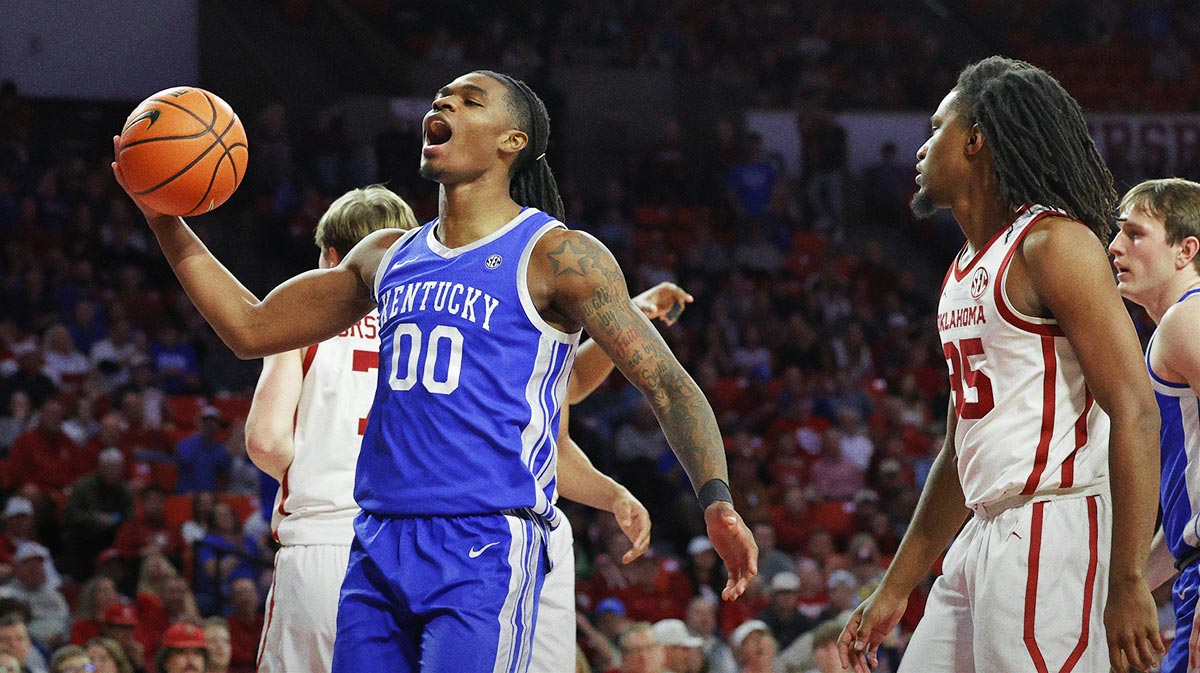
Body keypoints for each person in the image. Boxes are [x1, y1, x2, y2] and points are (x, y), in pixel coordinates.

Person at [113, 69, 757, 673]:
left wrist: (717, 500)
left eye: (470, 100)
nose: (443, 103)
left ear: (513, 141)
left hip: (485, 542)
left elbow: (668, 385)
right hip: (377, 541)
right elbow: (249, 328)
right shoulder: (385, 255)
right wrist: (162, 218)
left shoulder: (558, 255)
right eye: (442, 96)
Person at [244, 182, 683, 673]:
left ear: (331, 255)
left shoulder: (301, 330)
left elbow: (266, 441)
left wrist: (316, 469)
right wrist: (631, 315)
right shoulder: (450, 313)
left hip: (333, 543)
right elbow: (566, 389)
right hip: (447, 541)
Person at [837, 56, 1164, 673]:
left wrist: (1127, 578)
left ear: (976, 139)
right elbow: (959, 452)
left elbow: (1135, 410)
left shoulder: (1054, 243)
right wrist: (896, 587)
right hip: (983, 532)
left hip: (1053, 523)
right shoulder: (966, 267)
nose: (922, 147)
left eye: (937, 128)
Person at [1108, 178, 1200, 673]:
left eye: (1135, 233)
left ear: (1185, 250)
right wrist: (1128, 587)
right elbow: (1184, 530)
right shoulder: (1176, 327)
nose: (1114, 246)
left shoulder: (1188, 320)